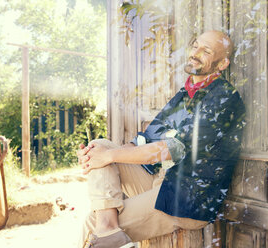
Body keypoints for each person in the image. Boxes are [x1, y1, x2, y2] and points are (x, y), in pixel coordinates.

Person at [77, 30, 245, 248]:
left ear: (222, 64)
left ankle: (105, 230)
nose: (196, 53)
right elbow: (146, 140)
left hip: (186, 198)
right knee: (99, 145)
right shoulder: (183, 96)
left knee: (91, 223)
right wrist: (94, 156)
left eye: (206, 51)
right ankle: (108, 228)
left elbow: (174, 149)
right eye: (196, 46)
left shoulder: (223, 98)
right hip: (160, 179)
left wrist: (108, 156)